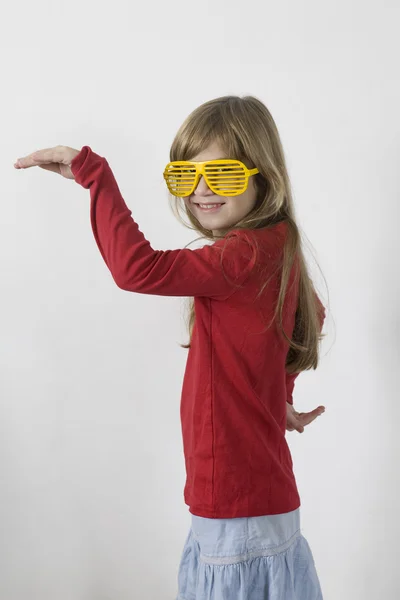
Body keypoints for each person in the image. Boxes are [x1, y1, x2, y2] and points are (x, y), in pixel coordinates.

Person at [14, 95, 327, 599]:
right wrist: (277, 391)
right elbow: (309, 308)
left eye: (221, 174)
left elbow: (135, 269)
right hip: (262, 500)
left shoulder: (240, 255)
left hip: (233, 505)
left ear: (262, 176)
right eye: (185, 175)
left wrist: (95, 175)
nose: (201, 190)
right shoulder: (277, 243)